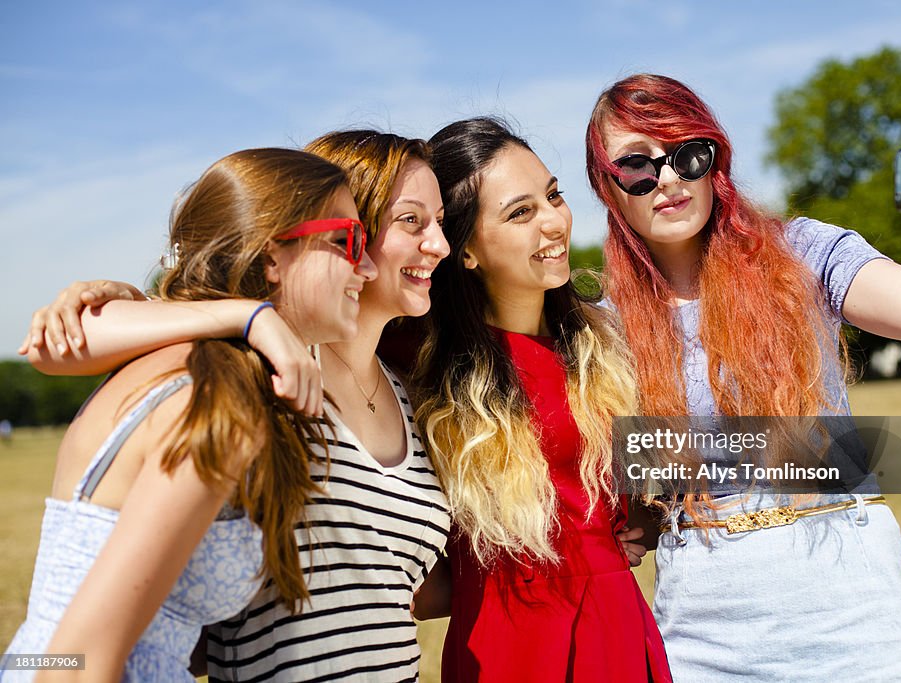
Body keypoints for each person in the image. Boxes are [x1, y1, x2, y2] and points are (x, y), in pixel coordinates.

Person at [584, 73, 901, 680]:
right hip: (704, 626)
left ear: (714, 160)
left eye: (686, 155)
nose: (667, 179)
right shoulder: (603, 328)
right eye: (637, 165)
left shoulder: (803, 252)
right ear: (607, 185)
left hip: (852, 600)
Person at [17, 132, 454, 682]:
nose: (363, 265)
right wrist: (251, 318)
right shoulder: (226, 394)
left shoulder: (396, 388)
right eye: (350, 240)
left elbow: (55, 652)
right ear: (273, 252)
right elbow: (72, 662)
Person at [415, 117, 672, 682]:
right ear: (465, 250)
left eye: (553, 196)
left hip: (620, 625)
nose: (554, 222)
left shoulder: (602, 345)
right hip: (512, 645)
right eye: (520, 212)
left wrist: (649, 517)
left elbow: (627, 490)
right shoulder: (429, 371)